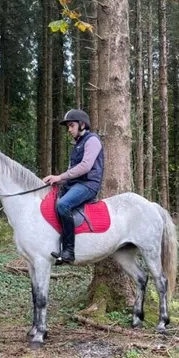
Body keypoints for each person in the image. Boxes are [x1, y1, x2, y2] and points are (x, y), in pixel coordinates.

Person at [42, 109, 104, 264]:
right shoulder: (77, 144)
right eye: (68, 127)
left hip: (88, 185)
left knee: (63, 205)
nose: (69, 130)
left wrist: (60, 176)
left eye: (71, 126)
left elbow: (85, 166)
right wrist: (57, 180)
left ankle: (69, 250)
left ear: (82, 124)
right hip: (75, 184)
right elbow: (72, 171)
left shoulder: (92, 140)